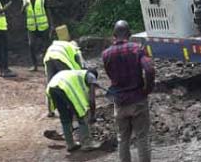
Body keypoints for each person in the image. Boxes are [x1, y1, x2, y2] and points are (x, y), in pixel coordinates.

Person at [102, 20, 155, 162]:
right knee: (142, 137)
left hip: (119, 102)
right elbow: (149, 69)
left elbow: (110, 75)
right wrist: (147, 89)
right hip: (138, 99)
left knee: (123, 139)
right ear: (129, 34)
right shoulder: (137, 49)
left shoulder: (106, 54)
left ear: (114, 35)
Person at [45, 68, 100, 152]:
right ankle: (87, 144)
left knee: (65, 117)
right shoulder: (91, 77)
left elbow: (71, 106)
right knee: (81, 114)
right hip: (64, 86)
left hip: (52, 86)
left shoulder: (76, 74)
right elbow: (92, 100)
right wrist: (92, 116)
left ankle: (70, 144)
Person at [21, 0, 53, 72]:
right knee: (31, 45)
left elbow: (48, 12)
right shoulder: (25, 0)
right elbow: (22, 13)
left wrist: (51, 25)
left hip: (43, 26)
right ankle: (34, 65)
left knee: (47, 46)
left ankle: (49, 65)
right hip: (32, 27)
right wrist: (24, 7)